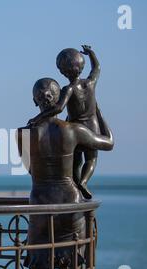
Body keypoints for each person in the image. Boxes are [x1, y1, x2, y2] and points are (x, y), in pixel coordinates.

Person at [17, 77, 114, 269]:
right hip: (69, 206)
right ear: (59, 98)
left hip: (40, 206)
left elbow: (31, 170)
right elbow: (108, 142)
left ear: (35, 101)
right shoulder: (74, 130)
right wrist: (95, 109)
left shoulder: (22, 134)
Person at [28, 45, 102, 199]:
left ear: (63, 71)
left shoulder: (68, 89)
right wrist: (91, 53)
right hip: (91, 125)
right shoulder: (90, 83)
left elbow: (59, 108)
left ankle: (77, 182)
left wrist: (38, 118)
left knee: (76, 159)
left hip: (75, 124)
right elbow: (97, 68)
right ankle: (84, 181)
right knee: (92, 158)